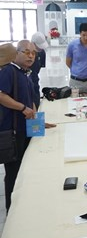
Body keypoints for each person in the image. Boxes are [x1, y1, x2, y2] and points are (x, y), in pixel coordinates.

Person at [0, 40, 36, 211]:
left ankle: (23, 207)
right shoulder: (9, 71)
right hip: (13, 132)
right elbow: (1, 96)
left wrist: (38, 121)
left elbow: (29, 100)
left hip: (25, 129)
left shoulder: (25, 73)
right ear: (17, 53)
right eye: (26, 52)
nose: (31, 56)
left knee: (25, 169)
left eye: (33, 53)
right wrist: (22, 108)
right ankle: (12, 211)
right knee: (13, 174)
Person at [66, 23, 87, 93]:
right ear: (80, 34)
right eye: (83, 35)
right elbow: (68, 62)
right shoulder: (72, 45)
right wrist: (77, 70)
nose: (86, 37)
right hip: (75, 81)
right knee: (75, 100)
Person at [30, 32, 49, 109]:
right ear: (32, 43)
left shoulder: (42, 53)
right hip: (25, 80)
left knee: (36, 101)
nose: (40, 49)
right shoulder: (26, 54)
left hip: (35, 79)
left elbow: (40, 67)